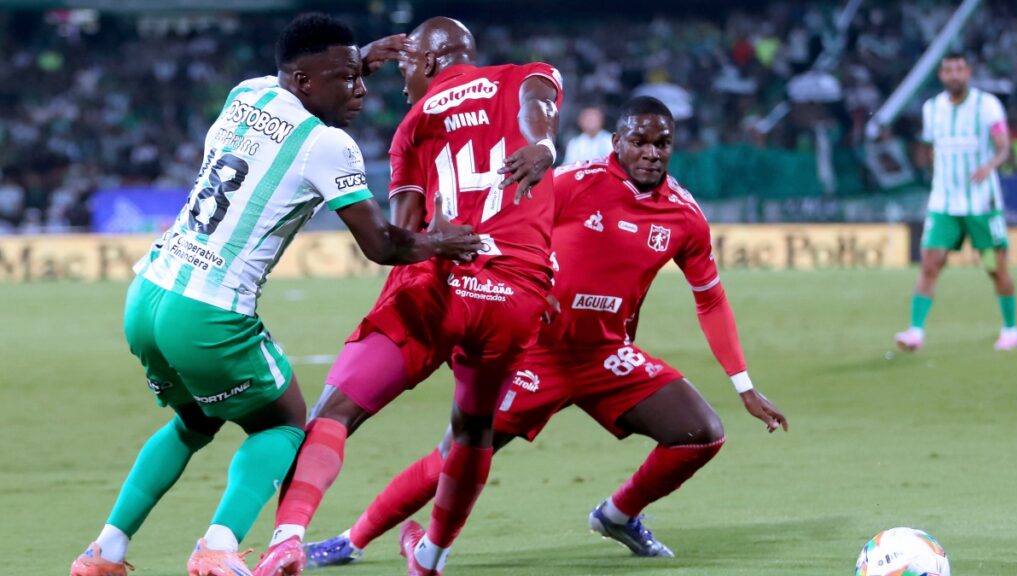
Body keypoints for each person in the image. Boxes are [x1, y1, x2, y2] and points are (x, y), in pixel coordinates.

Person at [69, 14, 481, 576]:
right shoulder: (326, 144)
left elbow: (296, 75)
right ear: (306, 81)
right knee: (285, 422)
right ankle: (217, 545)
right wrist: (442, 241)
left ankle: (105, 550)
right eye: (347, 79)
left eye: (358, 76)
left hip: (149, 293)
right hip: (209, 312)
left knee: (194, 422)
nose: (360, 91)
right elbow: (382, 245)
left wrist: (355, 60)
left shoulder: (248, 94)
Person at [302, 96, 788, 568]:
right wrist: (528, 286)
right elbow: (495, 231)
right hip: (534, 352)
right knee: (457, 453)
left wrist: (743, 385)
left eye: (662, 144)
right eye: (639, 141)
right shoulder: (572, 183)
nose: (651, 153)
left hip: (605, 354)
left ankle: (617, 516)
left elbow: (711, 299)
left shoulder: (684, 214)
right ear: (616, 142)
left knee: (700, 434)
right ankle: (351, 540)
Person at [253, 16, 562, 576]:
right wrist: (542, 144)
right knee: (473, 431)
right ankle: (430, 558)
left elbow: (402, 236)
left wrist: (437, 243)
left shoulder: (413, 126)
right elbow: (537, 104)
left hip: (441, 285)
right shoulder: (523, 75)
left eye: (405, 70)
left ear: (427, 62)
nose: (401, 85)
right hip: (518, 297)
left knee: (335, 411)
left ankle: (288, 538)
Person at [895, 53, 1017, 352]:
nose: (954, 75)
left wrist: (990, 166)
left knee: (995, 267)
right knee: (930, 263)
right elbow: (930, 148)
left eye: (959, 69)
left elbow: (1003, 147)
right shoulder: (932, 108)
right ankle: (915, 332)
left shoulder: (986, 105)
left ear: (968, 73)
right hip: (944, 204)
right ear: (941, 75)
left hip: (982, 205)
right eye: (948, 70)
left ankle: (1011, 329)